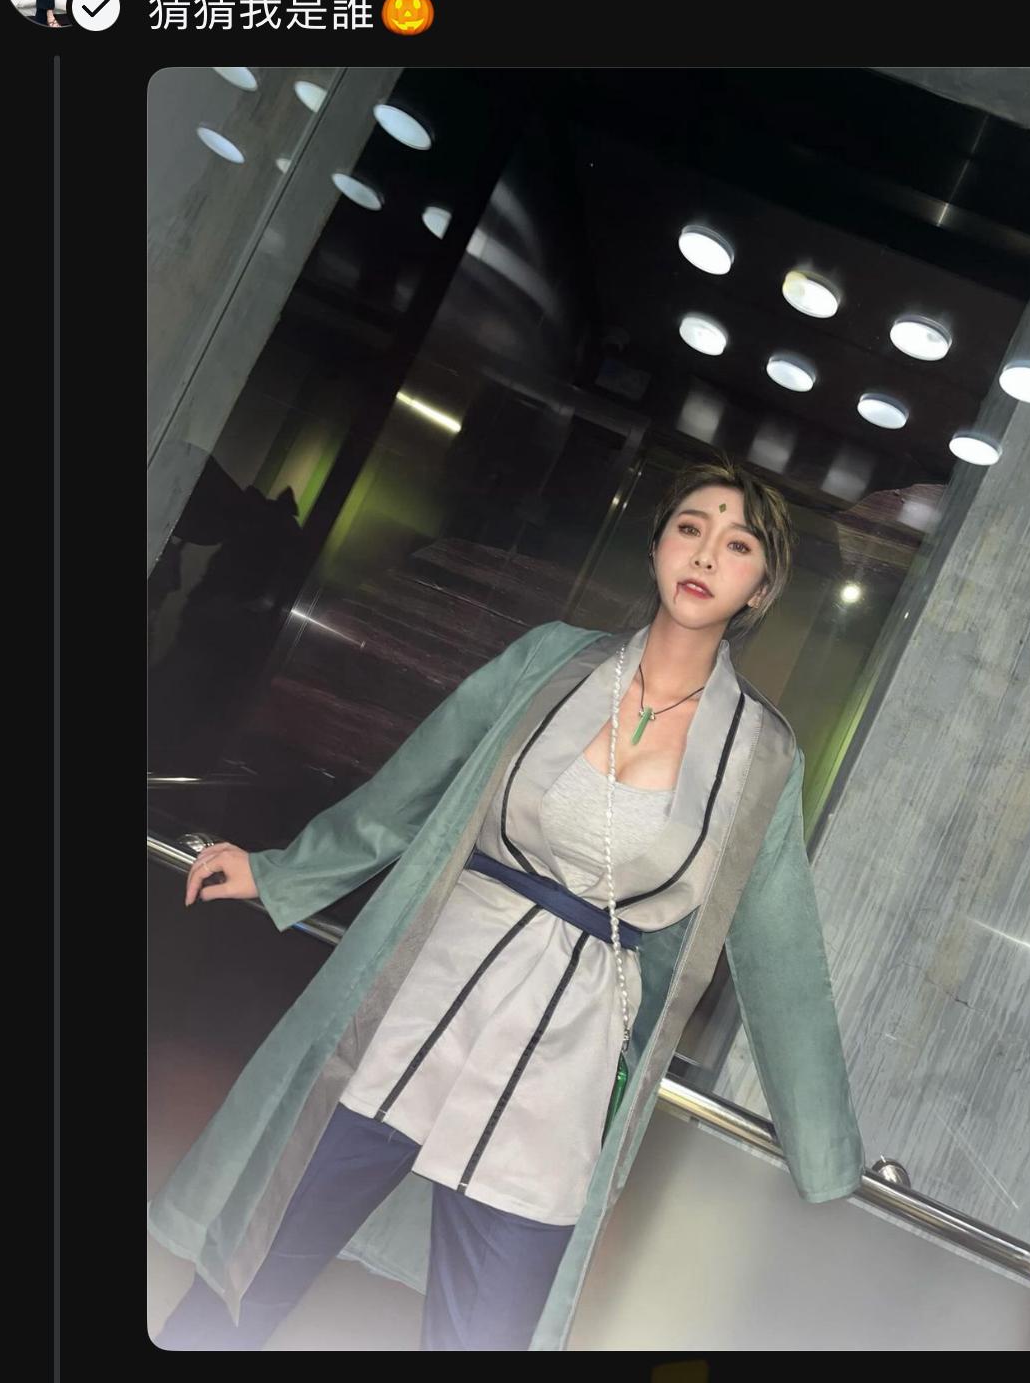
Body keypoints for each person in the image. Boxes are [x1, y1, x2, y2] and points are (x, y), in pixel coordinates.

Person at [149, 453, 864, 1351]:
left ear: (759, 588)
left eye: (738, 544)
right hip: (427, 992)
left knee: (485, 1329)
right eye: (690, 527)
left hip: (569, 1052)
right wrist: (286, 870)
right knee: (260, 1253)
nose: (705, 553)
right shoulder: (550, 660)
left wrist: (822, 1149)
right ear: (656, 545)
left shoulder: (761, 753)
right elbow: (419, 777)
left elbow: (780, 949)